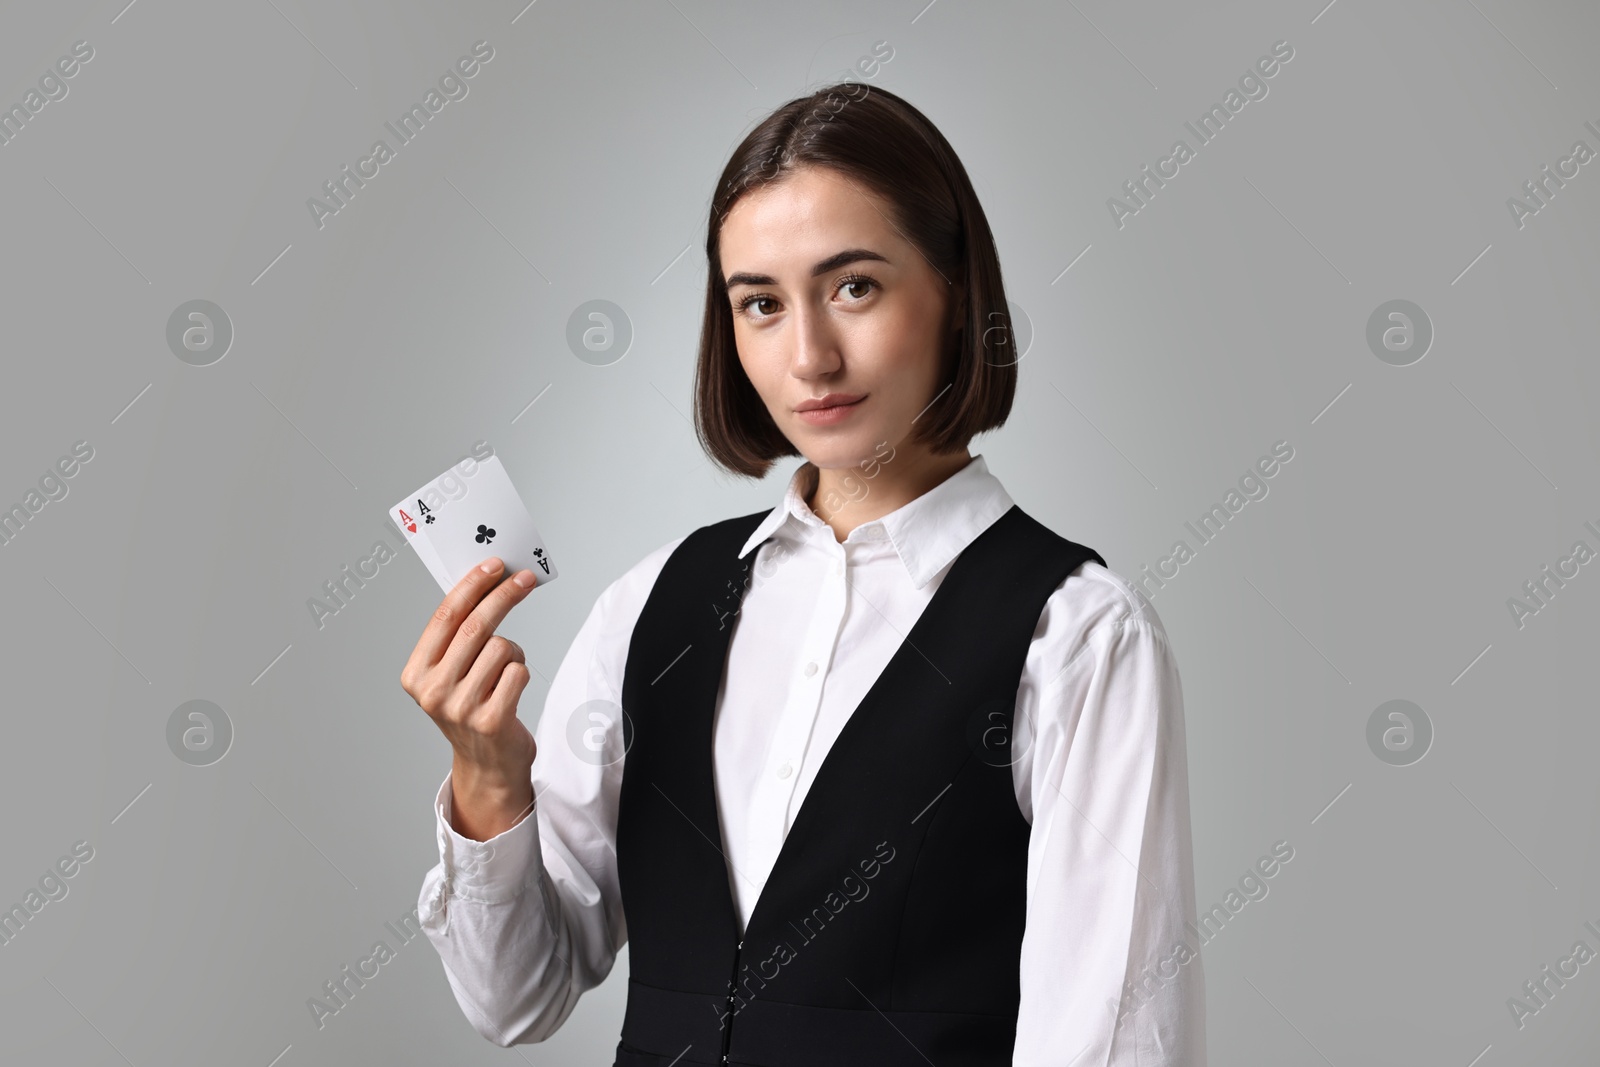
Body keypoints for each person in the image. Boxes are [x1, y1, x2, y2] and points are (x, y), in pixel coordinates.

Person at [401, 82, 1205, 1066]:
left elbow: (1114, 1036)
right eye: (761, 304)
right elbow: (514, 998)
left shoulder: (1077, 633)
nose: (810, 355)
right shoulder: (653, 603)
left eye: (854, 285)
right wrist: (488, 780)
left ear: (955, 294)